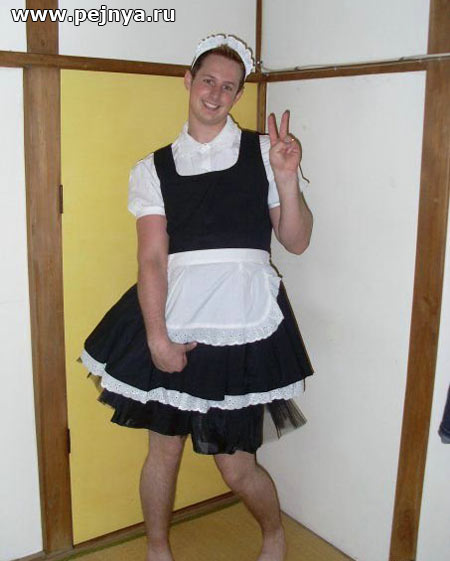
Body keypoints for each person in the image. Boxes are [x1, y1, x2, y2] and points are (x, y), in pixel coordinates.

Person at [79, 34, 314, 561]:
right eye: (207, 80)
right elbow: (151, 259)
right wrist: (157, 337)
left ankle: (273, 535)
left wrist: (287, 178)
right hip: (177, 313)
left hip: (242, 319)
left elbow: (296, 241)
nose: (216, 93)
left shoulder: (265, 153)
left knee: (236, 465)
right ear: (188, 81)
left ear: (238, 94)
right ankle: (157, 550)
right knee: (162, 452)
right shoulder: (153, 168)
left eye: (229, 87)